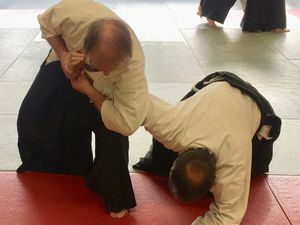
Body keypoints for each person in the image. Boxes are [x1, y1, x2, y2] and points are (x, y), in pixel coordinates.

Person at [17, 0, 149, 218]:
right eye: (100, 66)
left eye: (110, 68)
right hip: (70, 63)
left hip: (106, 95)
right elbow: (47, 24)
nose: (105, 73)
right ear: (86, 47)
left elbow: (125, 123)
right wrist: (64, 57)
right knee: (34, 112)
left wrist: (89, 90)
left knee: (113, 133)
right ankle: (51, 166)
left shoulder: (132, 70)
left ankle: (110, 190)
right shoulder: (76, 13)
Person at [133, 71, 281, 225]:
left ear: (214, 182)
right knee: (160, 152)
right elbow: (136, 104)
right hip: (221, 82)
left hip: (258, 107)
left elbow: (228, 217)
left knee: (254, 172)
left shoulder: (234, 162)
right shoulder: (174, 126)